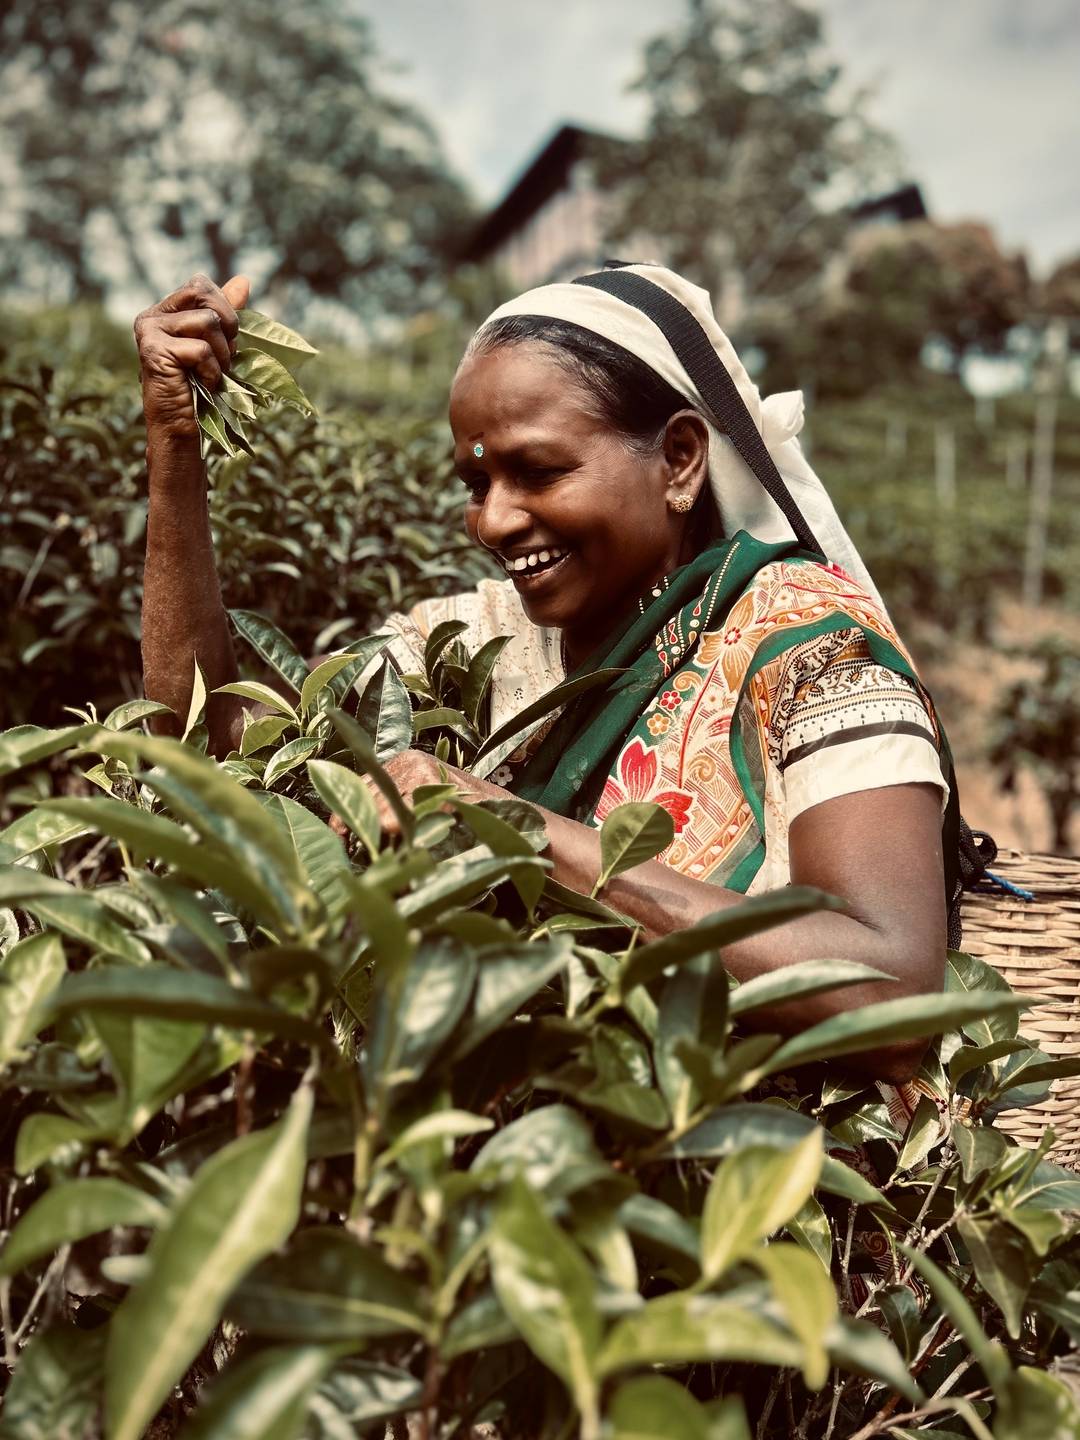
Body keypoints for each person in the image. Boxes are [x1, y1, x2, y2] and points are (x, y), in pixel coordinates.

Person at [134, 264, 956, 1084]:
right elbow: (217, 745)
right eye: (475, 482)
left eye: (539, 471)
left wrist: (516, 831)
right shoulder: (472, 641)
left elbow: (891, 995)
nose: (493, 519)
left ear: (678, 460)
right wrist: (174, 440)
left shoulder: (813, 643)